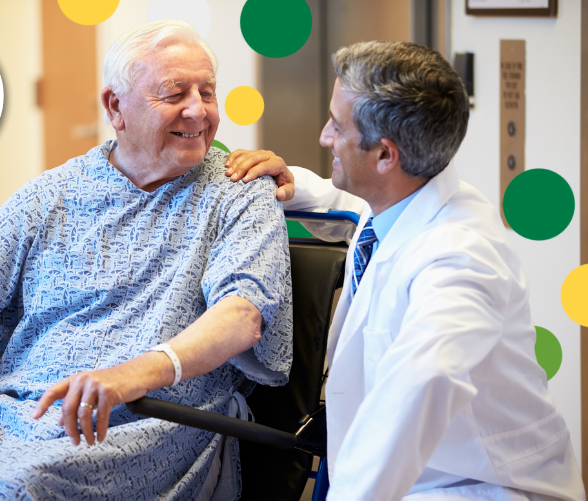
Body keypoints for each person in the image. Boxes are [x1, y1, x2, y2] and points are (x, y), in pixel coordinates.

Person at [0, 20, 292, 500]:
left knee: (13, 491)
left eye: (208, 92)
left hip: (147, 427)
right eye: (174, 94)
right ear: (115, 107)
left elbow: (242, 317)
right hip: (18, 422)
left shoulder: (239, 191)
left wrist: (127, 377)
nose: (198, 110)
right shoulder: (51, 195)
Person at [225, 41, 584, 500]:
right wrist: (286, 186)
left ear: (385, 156)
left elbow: (420, 388)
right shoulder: (404, 196)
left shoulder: (463, 261)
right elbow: (347, 206)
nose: (324, 136)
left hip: (474, 486)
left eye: (337, 125)